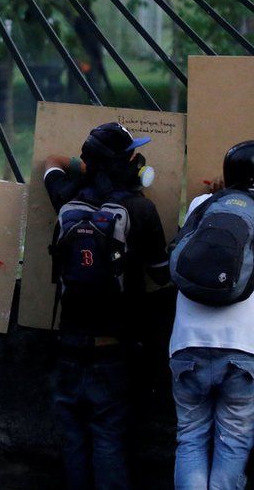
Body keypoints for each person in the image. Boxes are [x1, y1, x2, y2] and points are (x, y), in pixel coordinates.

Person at [43, 122, 169, 490]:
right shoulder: (139, 209)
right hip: (112, 350)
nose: (137, 158)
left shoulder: (66, 199)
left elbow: (49, 161)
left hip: (67, 346)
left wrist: (83, 167)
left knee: (74, 439)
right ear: (125, 162)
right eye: (132, 153)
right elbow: (161, 275)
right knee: (108, 438)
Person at [167, 140, 254, 489]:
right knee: (233, 442)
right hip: (244, 350)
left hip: (187, 346)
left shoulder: (202, 205)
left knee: (190, 438)